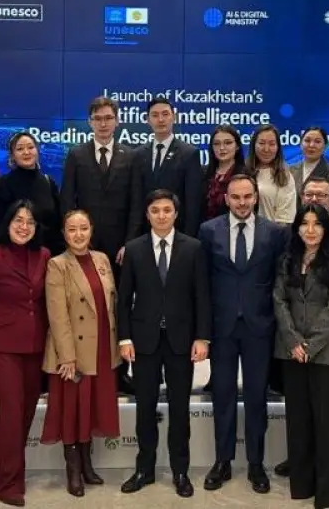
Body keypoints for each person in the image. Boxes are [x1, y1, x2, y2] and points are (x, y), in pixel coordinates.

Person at [198, 174, 289, 494]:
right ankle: (222, 461)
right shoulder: (208, 230)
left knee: (256, 397)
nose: (242, 202)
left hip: (259, 327)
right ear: (226, 199)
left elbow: (279, 279)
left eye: (247, 196)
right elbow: (203, 282)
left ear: (255, 197)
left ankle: (255, 463)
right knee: (222, 396)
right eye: (235, 197)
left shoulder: (274, 233)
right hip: (222, 327)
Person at [117, 189, 211, 498]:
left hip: (180, 341)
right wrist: (124, 338)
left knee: (180, 409)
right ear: (147, 215)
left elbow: (202, 296)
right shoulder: (134, 249)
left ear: (176, 214)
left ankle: (180, 471)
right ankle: (144, 469)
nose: (161, 215)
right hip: (144, 342)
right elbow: (123, 299)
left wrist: (202, 337)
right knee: (145, 408)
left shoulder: (193, 248)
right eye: (155, 210)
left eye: (167, 210)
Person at [0, 200, 51, 506]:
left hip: (35, 346)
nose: (24, 227)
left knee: (26, 412)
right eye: (18, 220)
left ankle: (17, 472)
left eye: (30, 222)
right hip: (1, 346)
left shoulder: (44, 255)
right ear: (7, 223)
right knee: (11, 414)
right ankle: (6, 483)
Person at [60, 97, 143, 396]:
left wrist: (130, 243)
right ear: (90, 122)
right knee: (85, 309)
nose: (104, 123)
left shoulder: (131, 156)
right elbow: (67, 200)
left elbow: (137, 203)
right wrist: (76, 242)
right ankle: (87, 367)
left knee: (118, 308)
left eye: (108, 117)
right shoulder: (76, 155)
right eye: (98, 118)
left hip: (120, 250)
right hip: (85, 247)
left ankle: (120, 371)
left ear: (117, 121)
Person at [274, 203, 329, 509]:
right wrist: (293, 340)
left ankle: (325, 491)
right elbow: (279, 301)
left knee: (327, 424)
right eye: (304, 223)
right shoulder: (287, 259)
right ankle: (301, 485)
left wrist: (311, 345)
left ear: (326, 229)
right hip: (291, 352)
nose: (310, 230)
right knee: (299, 422)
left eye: (316, 224)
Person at [40, 210, 120, 496]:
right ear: (64, 234)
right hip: (73, 352)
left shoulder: (102, 260)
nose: (78, 234)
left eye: (83, 228)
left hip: (102, 348)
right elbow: (57, 315)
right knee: (72, 411)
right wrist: (67, 357)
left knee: (91, 408)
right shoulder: (57, 265)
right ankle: (73, 471)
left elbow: (111, 304)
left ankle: (87, 465)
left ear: (91, 230)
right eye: (72, 229)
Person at [132, 99, 203, 237]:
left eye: (165, 114)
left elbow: (193, 203)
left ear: (174, 117)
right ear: (147, 120)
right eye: (155, 115)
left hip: (178, 233)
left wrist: (189, 238)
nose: (160, 119)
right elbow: (136, 200)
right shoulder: (138, 154)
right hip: (145, 234)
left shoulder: (189, 154)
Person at [0, 133, 63, 256]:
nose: (26, 152)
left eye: (30, 147)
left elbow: (58, 222)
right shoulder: (3, 184)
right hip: (13, 255)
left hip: (48, 254)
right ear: (12, 155)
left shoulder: (48, 182)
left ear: (37, 151)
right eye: (20, 149)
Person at [290, 126, 329, 219]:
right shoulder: (290, 170)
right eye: (307, 141)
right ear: (301, 144)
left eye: (317, 142)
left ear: (325, 146)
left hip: (319, 224)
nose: (311, 145)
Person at [250, 124, 298, 224]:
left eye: (272, 144)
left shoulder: (284, 176)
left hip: (271, 232)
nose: (266, 149)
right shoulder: (243, 171)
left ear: (278, 147)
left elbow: (285, 219)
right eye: (261, 143)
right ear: (254, 145)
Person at [202, 125, 248, 222]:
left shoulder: (247, 174)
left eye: (228, 143)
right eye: (216, 144)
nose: (222, 148)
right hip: (203, 228)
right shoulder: (202, 173)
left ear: (237, 146)